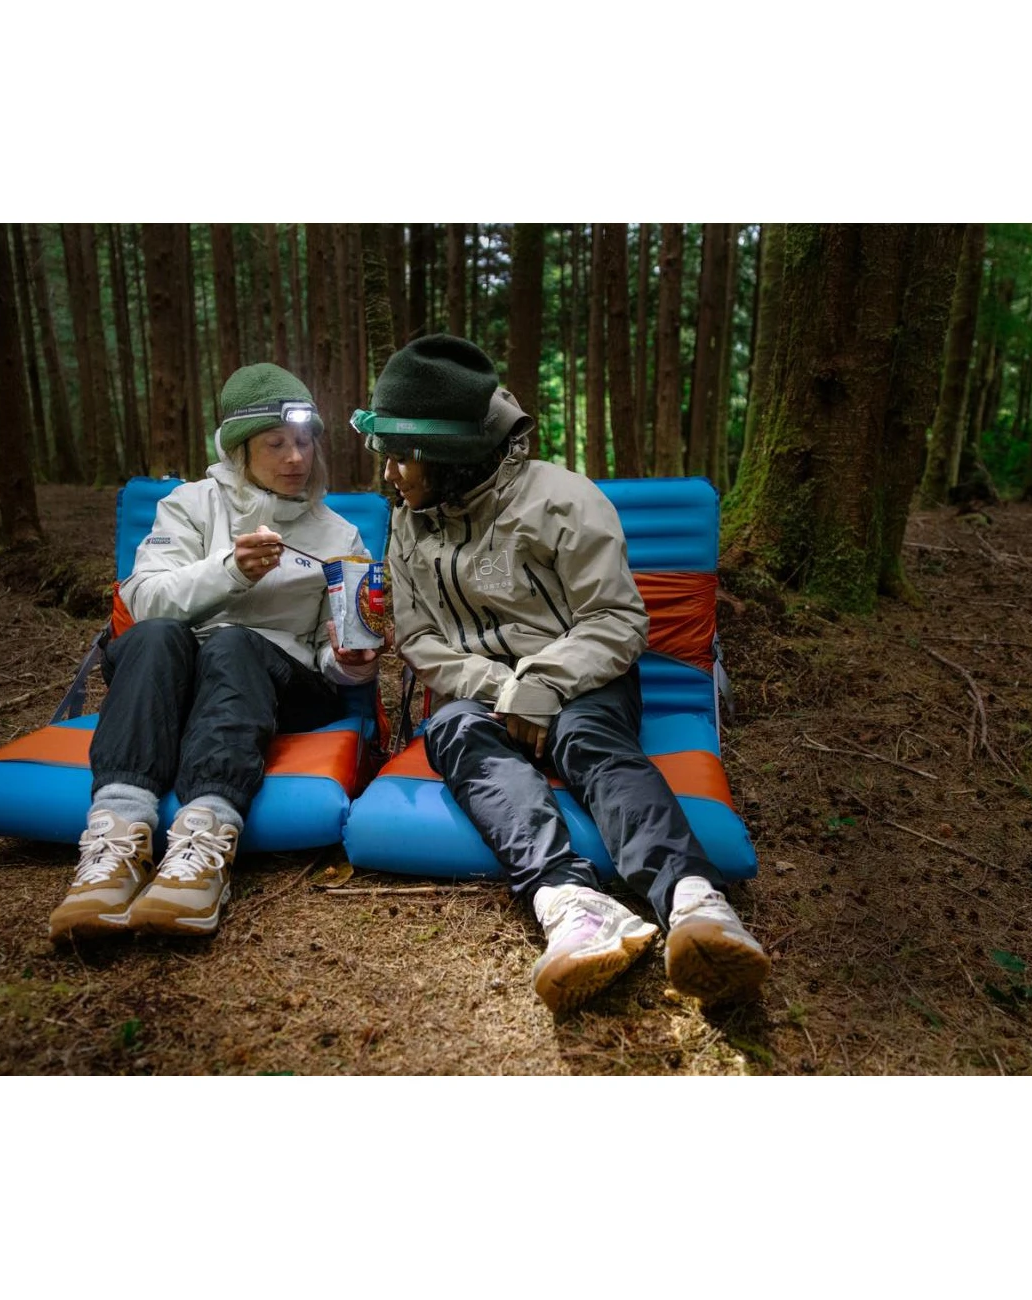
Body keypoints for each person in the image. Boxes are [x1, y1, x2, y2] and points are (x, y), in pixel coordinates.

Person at [356, 334, 770, 1012]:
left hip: (584, 677)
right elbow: (422, 641)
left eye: (402, 457)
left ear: (450, 458)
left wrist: (546, 683)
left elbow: (616, 620)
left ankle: (694, 901)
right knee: (453, 730)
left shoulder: (561, 501)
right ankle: (571, 903)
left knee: (585, 736)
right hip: (484, 692)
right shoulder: (409, 524)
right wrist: (507, 690)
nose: (390, 474)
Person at [49, 363, 380, 943]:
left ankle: (202, 848)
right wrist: (230, 571)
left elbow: (333, 656)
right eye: (275, 444)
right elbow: (144, 600)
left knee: (233, 643)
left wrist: (353, 663)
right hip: (175, 681)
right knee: (155, 634)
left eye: (304, 442)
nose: (296, 458)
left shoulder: (339, 535)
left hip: (279, 689)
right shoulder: (188, 506)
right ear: (238, 449)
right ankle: (116, 843)